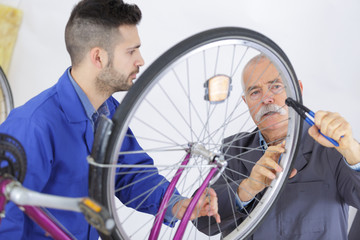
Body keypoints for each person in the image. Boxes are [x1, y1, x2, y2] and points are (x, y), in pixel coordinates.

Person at [0, 0, 220, 239]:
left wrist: (179, 205)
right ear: (98, 57)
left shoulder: (108, 112)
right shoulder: (32, 125)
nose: (141, 60)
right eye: (131, 51)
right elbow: (5, 217)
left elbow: (131, 174)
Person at [197, 54, 360, 239]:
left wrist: (353, 151)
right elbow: (202, 221)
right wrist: (248, 188)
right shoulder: (232, 150)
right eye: (255, 92)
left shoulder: (332, 147)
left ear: (297, 90)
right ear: (246, 102)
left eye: (275, 86)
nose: (267, 98)